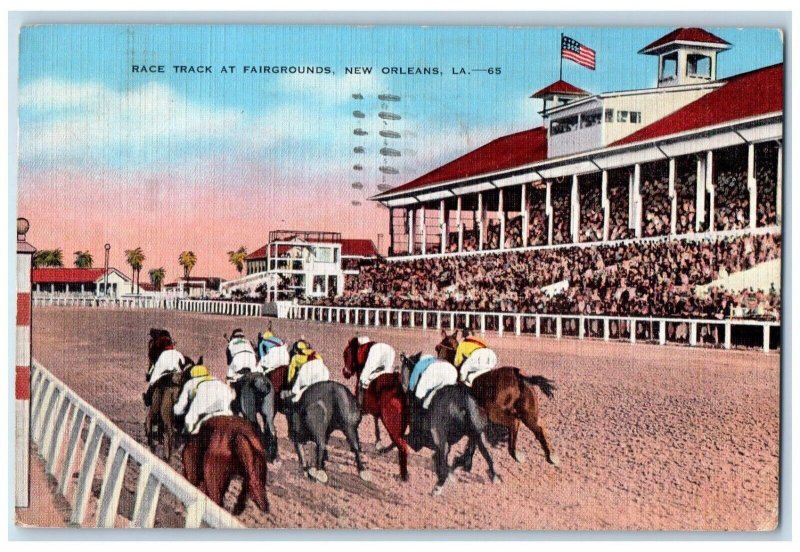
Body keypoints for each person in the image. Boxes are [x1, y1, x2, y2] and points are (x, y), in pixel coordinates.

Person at [282, 340, 330, 436]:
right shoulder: (317, 355)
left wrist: (290, 385)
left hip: (307, 378)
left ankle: (297, 428)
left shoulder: (296, 358)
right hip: (324, 376)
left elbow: (291, 374)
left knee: (295, 400)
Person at [173, 364, 235, 435]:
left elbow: (179, 409)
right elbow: (231, 397)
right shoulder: (218, 381)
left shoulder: (190, 383)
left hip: (201, 415)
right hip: (225, 413)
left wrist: (174, 410)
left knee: (188, 431)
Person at [354, 336, 396, 407]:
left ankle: (362, 402)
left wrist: (362, 381)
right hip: (391, 351)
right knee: (386, 372)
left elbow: (368, 368)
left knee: (366, 378)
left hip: (380, 353)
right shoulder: (371, 346)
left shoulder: (370, 349)